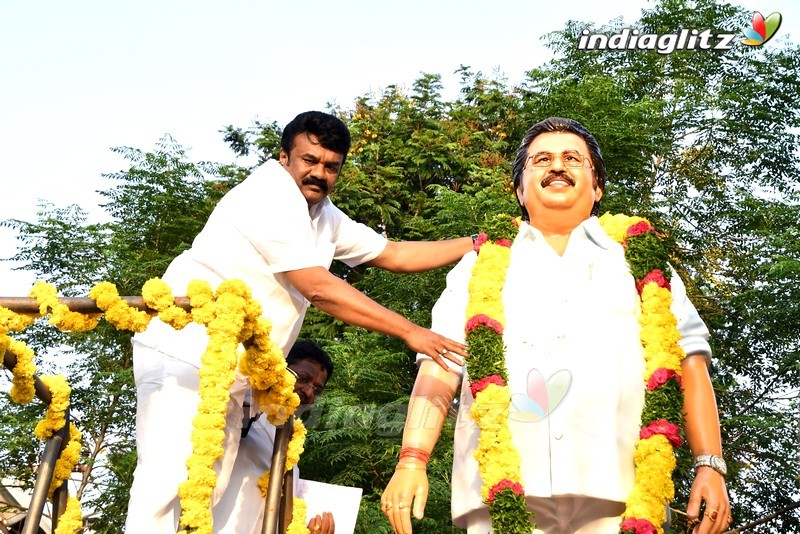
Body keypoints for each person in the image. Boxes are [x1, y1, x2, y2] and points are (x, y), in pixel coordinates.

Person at [125, 111, 473, 532]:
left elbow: (393, 255)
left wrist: (476, 242)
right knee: (170, 485)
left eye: (331, 166)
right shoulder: (267, 194)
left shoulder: (324, 215)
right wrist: (411, 331)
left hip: (236, 377)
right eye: (309, 160)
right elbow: (316, 286)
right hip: (187, 353)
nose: (319, 173)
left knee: (206, 493)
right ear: (284, 156)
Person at [381, 117, 730, 534]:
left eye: (572, 158)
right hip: (499, 501)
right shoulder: (478, 266)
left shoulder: (642, 262)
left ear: (597, 187)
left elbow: (689, 362)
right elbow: (441, 361)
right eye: (541, 159)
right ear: (519, 189)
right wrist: (412, 460)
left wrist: (710, 465)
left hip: (619, 496)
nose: (557, 167)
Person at [214, 339, 336, 533]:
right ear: (281, 370)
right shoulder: (246, 408)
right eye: (303, 379)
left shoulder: (291, 444)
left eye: (317, 389)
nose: (309, 393)